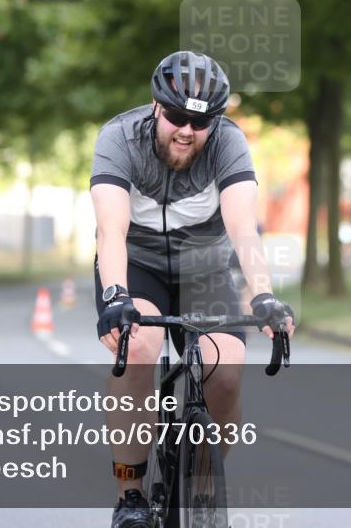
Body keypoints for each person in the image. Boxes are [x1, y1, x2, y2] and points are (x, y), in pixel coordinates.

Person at [90, 51, 295, 528]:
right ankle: (131, 495)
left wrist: (263, 294)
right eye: (177, 117)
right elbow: (110, 231)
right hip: (135, 266)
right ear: (156, 107)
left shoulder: (229, 143)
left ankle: (203, 476)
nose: (187, 130)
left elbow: (245, 228)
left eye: (200, 122)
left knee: (227, 366)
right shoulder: (119, 138)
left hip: (204, 270)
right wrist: (117, 296)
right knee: (138, 345)